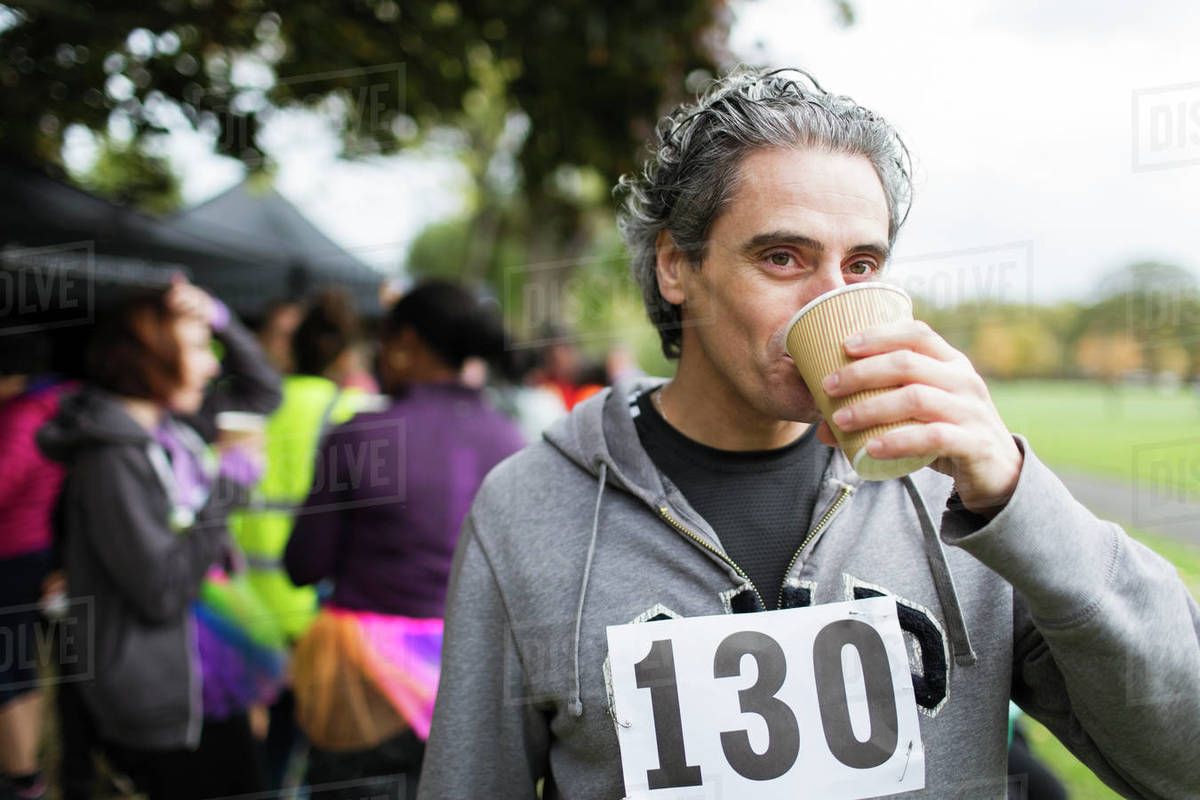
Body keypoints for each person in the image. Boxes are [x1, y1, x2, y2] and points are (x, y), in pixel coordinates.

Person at [418, 68, 1200, 799]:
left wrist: (1021, 499)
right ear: (675, 267)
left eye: (861, 265)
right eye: (784, 257)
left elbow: (1182, 759)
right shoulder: (528, 510)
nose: (828, 301)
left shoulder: (962, 495)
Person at [37, 278, 282, 800]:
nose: (214, 365)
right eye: (197, 347)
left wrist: (218, 316)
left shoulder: (170, 428)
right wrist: (227, 490)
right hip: (158, 688)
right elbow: (160, 590)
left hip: (195, 669)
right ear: (148, 353)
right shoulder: (113, 455)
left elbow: (264, 392)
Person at [284, 279, 525, 798]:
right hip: (472, 679)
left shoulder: (363, 436)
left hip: (363, 685)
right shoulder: (511, 442)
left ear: (406, 341)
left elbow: (304, 563)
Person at [229, 288, 372, 788]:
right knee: (322, 740)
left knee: (272, 738)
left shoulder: (262, 405)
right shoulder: (357, 409)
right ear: (346, 353)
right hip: (320, 603)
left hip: (248, 601)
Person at [0, 356, 72, 800]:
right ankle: (26, 772)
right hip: (33, 550)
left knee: (8, 668)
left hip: (11, 553)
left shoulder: (23, 413)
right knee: (19, 663)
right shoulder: (55, 403)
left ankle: (22, 776)